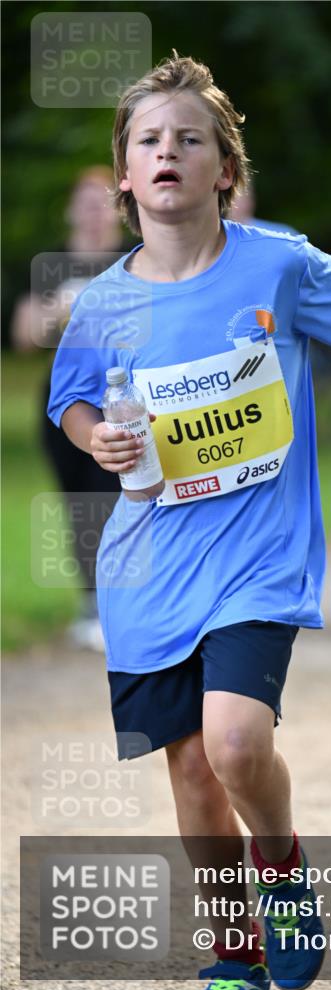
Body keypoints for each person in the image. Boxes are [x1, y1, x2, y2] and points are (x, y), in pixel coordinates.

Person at [46, 52, 331, 990]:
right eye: (149, 141)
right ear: (127, 176)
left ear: (226, 169)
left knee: (236, 745)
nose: (169, 152)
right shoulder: (104, 302)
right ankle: (232, 951)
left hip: (256, 557)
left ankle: (284, 868)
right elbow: (71, 402)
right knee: (189, 777)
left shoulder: (279, 264)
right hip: (146, 570)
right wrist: (99, 443)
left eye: (191, 139)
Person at [10, 166, 129, 651]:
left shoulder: (135, 260)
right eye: (85, 202)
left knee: (120, 498)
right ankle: (90, 605)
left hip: (121, 402)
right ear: (70, 210)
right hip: (62, 405)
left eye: (102, 202)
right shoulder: (51, 265)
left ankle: (126, 603)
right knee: (80, 504)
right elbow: (22, 336)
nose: (94, 212)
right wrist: (55, 314)